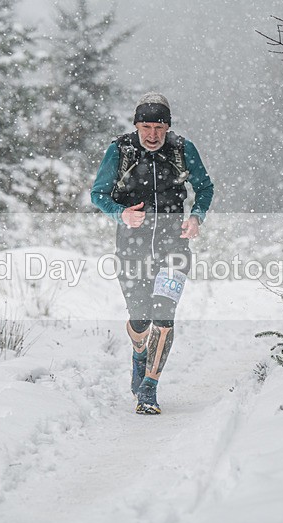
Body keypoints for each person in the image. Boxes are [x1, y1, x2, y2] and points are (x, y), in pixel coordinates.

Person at [91, 92, 214, 415]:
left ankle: (149, 387)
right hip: (132, 248)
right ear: (136, 125)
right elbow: (98, 194)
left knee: (164, 316)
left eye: (159, 127)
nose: (152, 134)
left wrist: (196, 217)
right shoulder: (120, 150)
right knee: (140, 318)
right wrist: (121, 214)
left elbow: (205, 188)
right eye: (146, 127)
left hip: (174, 246)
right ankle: (138, 355)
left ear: (168, 127)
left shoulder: (182, 149)